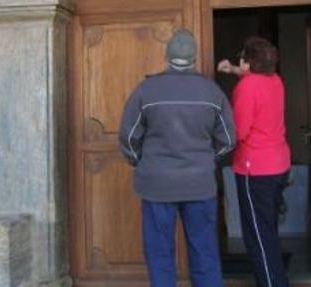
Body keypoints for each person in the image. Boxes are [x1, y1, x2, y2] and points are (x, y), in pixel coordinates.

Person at [119, 28, 236, 287]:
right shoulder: (212, 92)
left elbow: (128, 138)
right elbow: (228, 140)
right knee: (204, 253)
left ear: (166, 55)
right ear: (195, 57)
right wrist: (208, 161)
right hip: (200, 184)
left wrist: (142, 162)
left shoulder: (146, 90)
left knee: (160, 255)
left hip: (157, 185)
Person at [217, 36, 290, 287]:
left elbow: (239, 131)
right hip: (278, 165)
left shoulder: (246, 88)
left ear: (248, 62)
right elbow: (254, 78)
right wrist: (233, 70)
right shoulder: (275, 80)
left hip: (255, 169)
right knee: (268, 232)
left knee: (258, 238)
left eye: (241, 58)